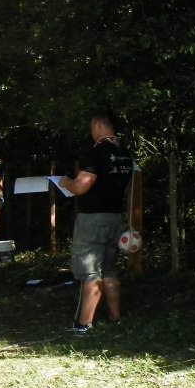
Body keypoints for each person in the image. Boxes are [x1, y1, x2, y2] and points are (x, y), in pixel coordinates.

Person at [59, 110, 135, 335]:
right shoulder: (125, 154)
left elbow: (81, 186)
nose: (92, 132)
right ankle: (115, 318)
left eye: (92, 127)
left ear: (99, 125)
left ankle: (83, 324)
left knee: (90, 271)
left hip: (93, 219)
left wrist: (66, 183)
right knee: (109, 269)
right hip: (115, 218)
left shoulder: (96, 152)